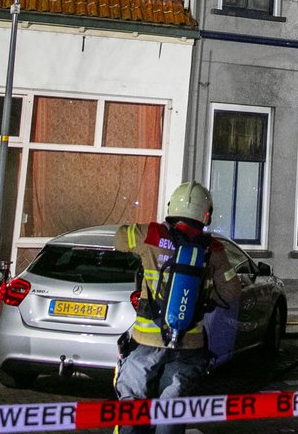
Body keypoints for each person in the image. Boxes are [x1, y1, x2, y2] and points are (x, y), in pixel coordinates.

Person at [113, 181, 242, 434]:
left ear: (172, 206)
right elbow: (232, 291)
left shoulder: (152, 234)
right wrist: (206, 298)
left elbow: (119, 238)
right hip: (190, 342)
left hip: (147, 339)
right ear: (206, 214)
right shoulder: (213, 248)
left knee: (133, 399)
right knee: (173, 404)